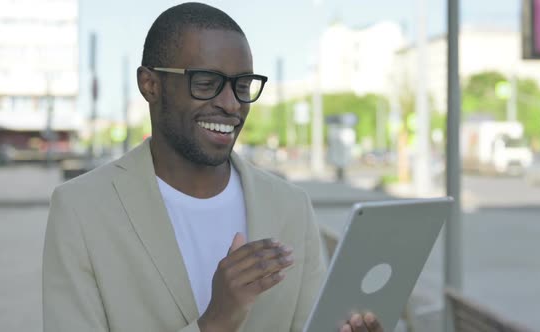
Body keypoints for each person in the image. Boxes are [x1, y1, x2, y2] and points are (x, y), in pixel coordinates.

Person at [42, 3, 382, 332]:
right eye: (206, 84)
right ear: (150, 85)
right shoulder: (81, 209)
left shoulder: (291, 205)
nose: (231, 104)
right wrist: (214, 323)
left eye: (243, 86)